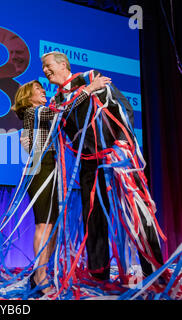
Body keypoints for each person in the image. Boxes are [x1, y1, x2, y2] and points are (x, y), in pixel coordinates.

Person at [41, 51, 164, 281]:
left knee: (137, 211)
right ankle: (99, 274)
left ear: (63, 64)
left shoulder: (89, 77)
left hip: (117, 157)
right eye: (43, 68)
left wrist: (124, 143)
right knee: (92, 217)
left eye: (48, 66)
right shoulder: (57, 101)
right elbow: (61, 116)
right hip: (89, 163)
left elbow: (123, 107)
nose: (45, 71)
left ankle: (154, 270)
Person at [13, 79, 103, 294]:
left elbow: (59, 112)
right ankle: (40, 275)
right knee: (43, 223)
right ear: (27, 96)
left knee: (51, 224)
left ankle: (42, 273)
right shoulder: (31, 112)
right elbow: (62, 111)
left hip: (51, 165)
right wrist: (88, 89)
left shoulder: (41, 113)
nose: (43, 91)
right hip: (40, 167)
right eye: (38, 89)